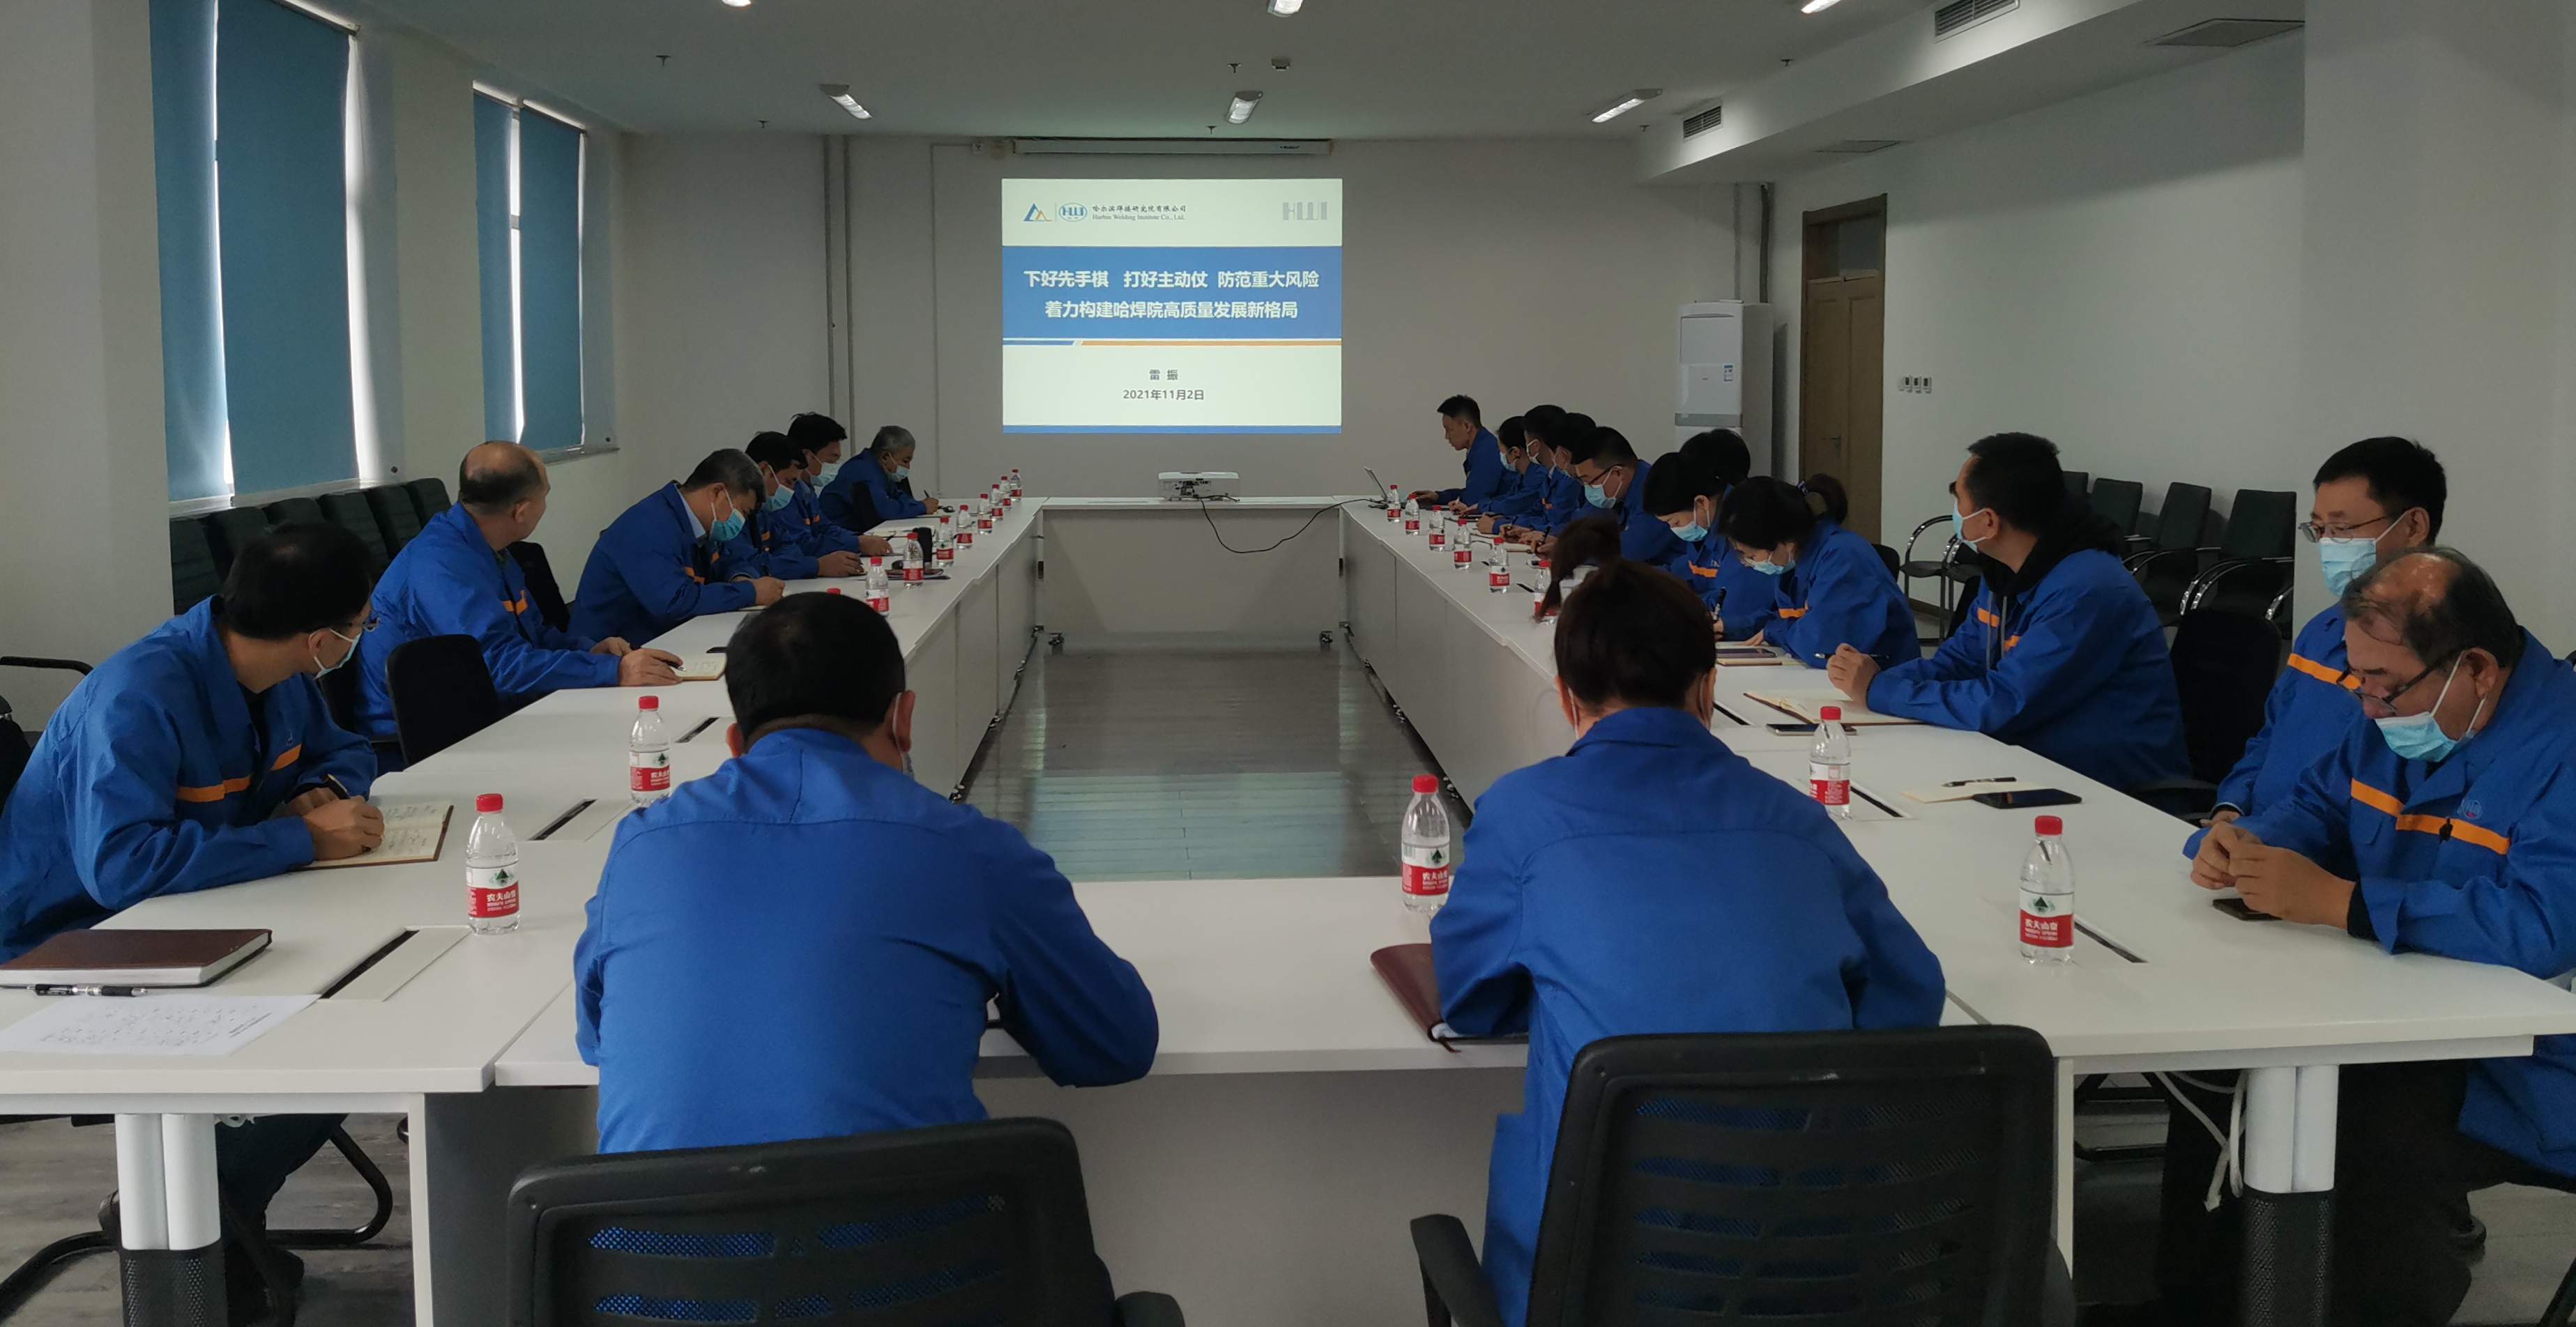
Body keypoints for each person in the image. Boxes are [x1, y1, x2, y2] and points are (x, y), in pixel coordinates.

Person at [1431, 544, 1945, 1327]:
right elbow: (1908, 996)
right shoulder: (1794, 816)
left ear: (1565, 697)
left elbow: (1468, 998)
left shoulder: (1522, 811)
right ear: (1708, 687)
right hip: (1824, 1271)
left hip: (1598, 1283)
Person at [574, 591, 1159, 1152]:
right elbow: (1114, 1044)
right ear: (903, 719)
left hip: (651, 1223)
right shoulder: (968, 849)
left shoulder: (640, 846)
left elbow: (597, 1037)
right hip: (914, 1224)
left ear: (736, 742)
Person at [2165, 549, 2576, 1327]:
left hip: (2535, 1062)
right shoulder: (2405, 714)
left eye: (2383, 684)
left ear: (2476, 669)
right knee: (2218, 1065)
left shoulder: (2562, 748)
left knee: (2354, 1119)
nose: (2368, 703)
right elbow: (2318, 805)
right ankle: (2201, 1301)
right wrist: (2244, 842)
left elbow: (2540, 925)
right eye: (2357, 679)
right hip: (2417, 1009)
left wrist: (2346, 904)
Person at [0, 521, 388, 1317]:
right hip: (70, 943)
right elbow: (121, 867)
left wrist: (317, 790)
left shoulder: (278, 673)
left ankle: (215, 1207)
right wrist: (302, 839)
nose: (361, 636)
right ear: (320, 637)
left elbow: (345, 750)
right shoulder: (138, 695)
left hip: (198, 915)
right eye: (360, 623)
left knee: (364, 1010)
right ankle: (199, 1212)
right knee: (333, 1029)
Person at [1826, 432, 2185, 791]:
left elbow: (2006, 703)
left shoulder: (2088, 590)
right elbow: (1960, 662)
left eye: (1959, 499)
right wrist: (1879, 682)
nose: (1956, 511)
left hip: (2110, 787)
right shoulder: (2004, 573)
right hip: (2029, 760)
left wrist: (1881, 691)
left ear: (1989, 521)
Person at [2186, 438, 2445, 853]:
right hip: (2257, 840)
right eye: (2320, 530)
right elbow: (2271, 735)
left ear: (2413, 527)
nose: (2327, 546)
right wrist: (2231, 807)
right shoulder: (2321, 631)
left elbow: (2378, 807)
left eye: (2342, 529)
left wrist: (2268, 843)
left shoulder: (2435, 661)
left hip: (2318, 860)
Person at [356, 443, 680, 744]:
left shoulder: (488, 549)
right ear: (521, 511)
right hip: (425, 740)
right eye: (545, 495)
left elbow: (532, 636)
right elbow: (499, 666)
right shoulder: (442, 566)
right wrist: (613, 671)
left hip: (481, 710)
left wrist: (591, 651)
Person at [571, 450, 786, 647]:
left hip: (665, 639)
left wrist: (740, 578)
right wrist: (750, 592)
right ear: (717, 493)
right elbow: (673, 602)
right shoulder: (648, 526)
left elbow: (728, 559)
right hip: (607, 656)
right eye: (742, 512)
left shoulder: (702, 525)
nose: (741, 522)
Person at [1718, 473, 1917, 668]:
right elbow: (1788, 619)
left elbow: (1821, 647)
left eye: (1752, 557)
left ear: (1784, 544)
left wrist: (1777, 632)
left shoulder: (1843, 558)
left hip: (1886, 678)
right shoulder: (1796, 559)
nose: (1749, 563)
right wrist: (1730, 626)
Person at [1639, 450, 1773, 636]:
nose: (1674, 529)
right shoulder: (1706, 529)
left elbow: (1733, 611)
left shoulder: (1742, 527)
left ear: (1701, 503)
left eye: (1675, 522)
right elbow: (1689, 575)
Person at [731, 431, 869, 581]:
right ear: (764, 470)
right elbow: (752, 564)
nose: (791, 491)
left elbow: (789, 546)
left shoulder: (761, 512)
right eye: (788, 482)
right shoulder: (732, 516)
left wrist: (788, 565)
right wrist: (817, 566)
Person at [1562, 424, 1682, 565]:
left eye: (1589, 482)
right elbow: (1584, 524)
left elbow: (1627, 552)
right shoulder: (1617, 494)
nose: (1588, 488)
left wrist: (1569, 553)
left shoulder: (1656, 492)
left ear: (1617, 473)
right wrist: (1561, 543)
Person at [782, 414, 893, 558]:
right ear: (806, 456)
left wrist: (860, 539)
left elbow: (825, 527)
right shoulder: (785, 494)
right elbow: (803, 545)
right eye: (831, 460)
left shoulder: (807, 490)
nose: (835, 467)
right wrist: (857, 543)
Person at [820, 424, 937, 532]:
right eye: (905, 461)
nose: (908, 467)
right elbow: (882, 509)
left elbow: (896, 494)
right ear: (885, 457)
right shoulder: (863, 471)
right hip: (835, 534)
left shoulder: (878, 468)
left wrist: (915, 505)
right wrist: (922, 507)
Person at [1429, 394, 1507, 510]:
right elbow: (1473, 492)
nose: (1446, 436)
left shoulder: (1487, 451)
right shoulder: (1481, 447)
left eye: (1449, 430)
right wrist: (1439, 497)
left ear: (1466, 426)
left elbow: (1473, 500)